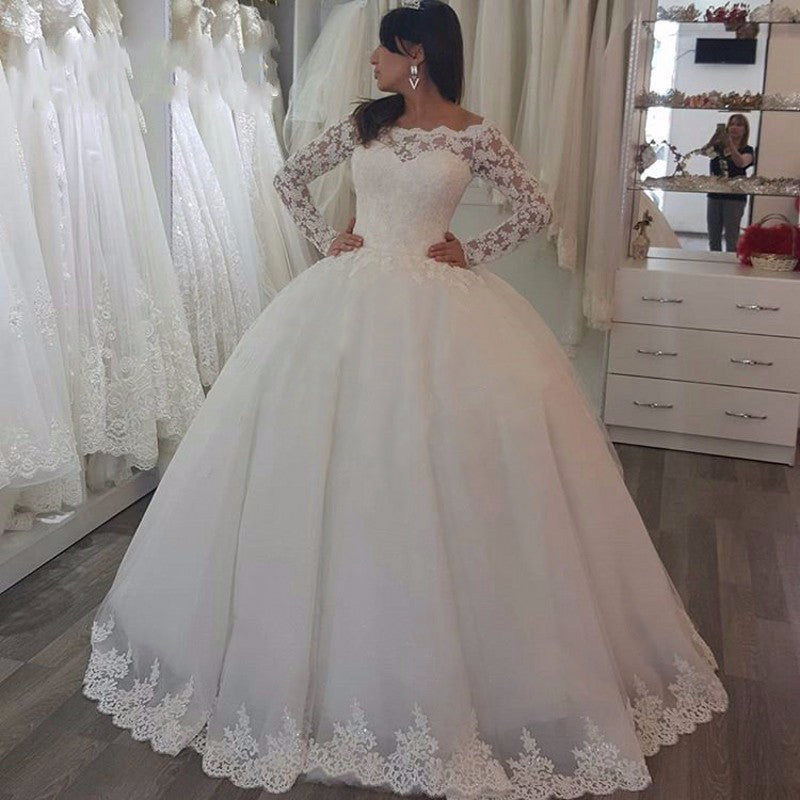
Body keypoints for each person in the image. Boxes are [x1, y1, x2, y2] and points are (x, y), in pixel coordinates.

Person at [82, 3, 727, 798]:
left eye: (382, 50)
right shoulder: (366, 123)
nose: (371, 62)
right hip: (347, 299)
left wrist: (471, 249)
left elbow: (535, 208)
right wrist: (327, 237)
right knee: (328, 457)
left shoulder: (475, 134)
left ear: (414, 52)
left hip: (441, 305)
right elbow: (288, 177)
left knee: (439, 465)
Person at [705, 113, 755, 252]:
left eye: (739, 125)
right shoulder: (718, 147)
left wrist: (730, 144)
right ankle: (714, 262)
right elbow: (704, 152)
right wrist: (715, 137)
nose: (734, 127)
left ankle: (731, 263)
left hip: (735, 197)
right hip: (715, 195)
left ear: (745, 130)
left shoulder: (747, 150)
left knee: (731, 236)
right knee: (713, 236)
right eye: (731, 124)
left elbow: (741, 163)